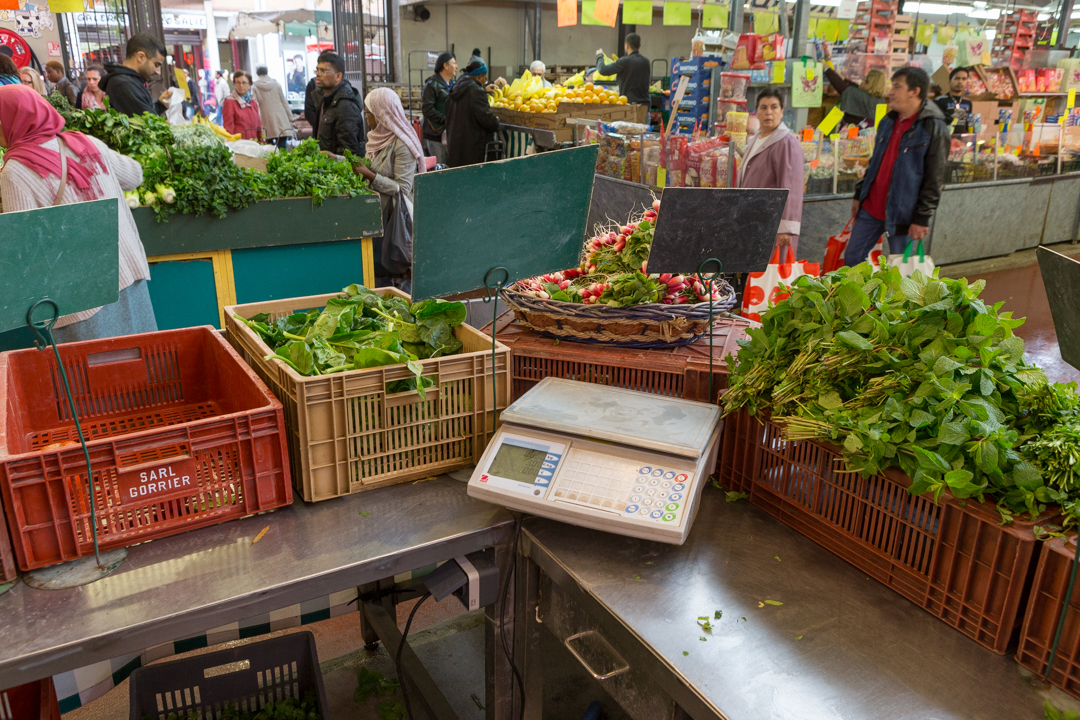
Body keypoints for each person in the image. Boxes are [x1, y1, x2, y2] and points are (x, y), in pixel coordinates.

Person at [0, 85, 155, 341]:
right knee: (143, 367)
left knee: (93, 375)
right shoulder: (85, 142)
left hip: (80, 296)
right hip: (127, 273)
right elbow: (134, 175)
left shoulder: (15, 171)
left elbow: (24, 250)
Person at [845, 67, 948, 267]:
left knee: (901, 271)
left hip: (904, 214)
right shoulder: (888, 120)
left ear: (914, 91)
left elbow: (935, 177)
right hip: (871, 206)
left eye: (897, 86)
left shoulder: (933, 126)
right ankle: (860, 299)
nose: (890, 91)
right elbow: (875, 161)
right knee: (852, 259)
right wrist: (860, 194)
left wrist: (922, 217)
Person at [352, 87, 425, 291]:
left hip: (399, 219)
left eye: (369, 112)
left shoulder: (402, 145)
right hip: (381, 217)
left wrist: (370, 176)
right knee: (380, 270)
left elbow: (402, 188)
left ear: (381, 114)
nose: (366, 117)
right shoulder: (377, 140)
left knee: (402, 271)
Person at [737, 89, 804, 254]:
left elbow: (791, 188)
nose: (768, 112)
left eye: (774, 107)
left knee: (772, 275)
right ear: (757, 113)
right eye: (763, 107)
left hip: (773, 225)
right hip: (753, 221)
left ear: (781, 112)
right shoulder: (757, 140)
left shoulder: (786, 143)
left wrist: (786, 227)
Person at [445, 60, 500, 167]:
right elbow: (486, 118)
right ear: (479, 77)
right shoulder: (476, 91)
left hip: (456, 147)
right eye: (485, 77)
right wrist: (496, 121)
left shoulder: (455, 88)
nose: (486, 80)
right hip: (473, 148)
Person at [100, 34, 170, 116]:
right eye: (156, 65)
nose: (158, 72)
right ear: (140, 57)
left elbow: (144, 114)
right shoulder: (124, 84)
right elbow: (147, 123)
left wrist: (160, 105)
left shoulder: (129, 81)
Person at [313, 53, 364, 156]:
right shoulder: (324, 98)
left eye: (324, 71)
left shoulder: (345, 105)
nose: (318, 74)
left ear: (338, 76)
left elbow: (349, 151)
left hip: (336, 168)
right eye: (317, 70)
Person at [595, 33, 650, 106]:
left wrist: (599, 55)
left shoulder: (624, 61)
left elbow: (603, 70)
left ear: (627, 45)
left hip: (629, 105)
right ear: (639, 46)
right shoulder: (646, 61)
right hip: (645, 106)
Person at [421, 51, 455, 166]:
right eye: (454, 63)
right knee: (440, 169)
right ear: (445, 65)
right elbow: (427, 109)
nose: (456, 66)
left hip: (449, 133)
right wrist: (446, 120)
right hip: (435, 134)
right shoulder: (431, 85)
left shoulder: (453, 84)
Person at [251, 67, 295, 148]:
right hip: (281, 118)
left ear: (257, 73)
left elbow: (255, 105)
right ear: (267, 72)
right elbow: (284, 102)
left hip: (266, 119)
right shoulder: (276, 84)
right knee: (282, 145)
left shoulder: (255, 87)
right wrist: (290, 118)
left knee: (269, 148)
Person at [222, 70, 262, 141]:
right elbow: (228, 127)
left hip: (254, 144)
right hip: (239, 145)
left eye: (244, 82)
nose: (241, 85)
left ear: (249, 84)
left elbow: (258, 125)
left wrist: (261, 141)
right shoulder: (230, 102)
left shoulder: (253, 101)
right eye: (238, 82)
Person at [934, 66, 974, 135]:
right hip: (945, 140)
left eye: (964, 79)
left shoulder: (968, 102)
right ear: (949, 81)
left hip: (963, 141)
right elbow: (935, 125)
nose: (960, 82)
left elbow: (969, 125)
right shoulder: (940, 100)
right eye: (957, 78)